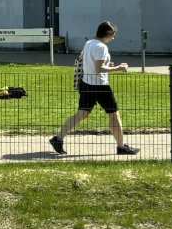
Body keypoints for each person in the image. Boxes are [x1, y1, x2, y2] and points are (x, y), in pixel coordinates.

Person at [51, 21, 139, 156]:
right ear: (108, 34)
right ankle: (121, 147)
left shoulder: (90, 43)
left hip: (86, 83)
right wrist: (118, 68)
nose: (114, 38)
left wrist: (108, 65)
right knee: (114, 114)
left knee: (82, 113)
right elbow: (99, 69)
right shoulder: (101, 47)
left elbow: (92, 64)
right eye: (113, 35)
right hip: (100, 86)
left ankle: (58, 139)